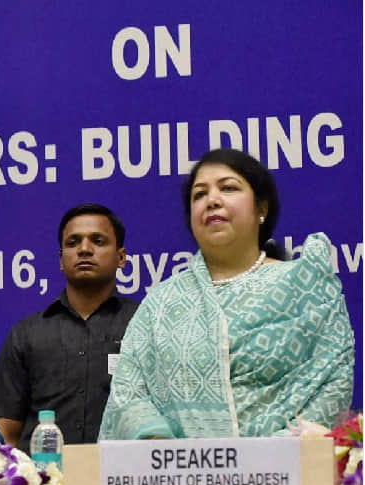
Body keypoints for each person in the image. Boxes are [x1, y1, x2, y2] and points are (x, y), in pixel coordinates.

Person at [100, 149, 354, 439]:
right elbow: (129, 392)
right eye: (199, 194)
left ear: (262, 209)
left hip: (286, 473)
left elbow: (332, 381)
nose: (213, 200)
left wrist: (272, 458)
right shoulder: (161, 303)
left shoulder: (305, 284)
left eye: (229, 188)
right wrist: (171, 457)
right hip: (176, 477)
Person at [0, 203, 138, 448]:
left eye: (98, 240)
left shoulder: (144, 325)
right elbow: (6, 434)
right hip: (43, 482)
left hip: (123, 480)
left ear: (121, 257)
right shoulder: (27, 334)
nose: (84, 249)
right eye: (73, 243)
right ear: (61, 260)